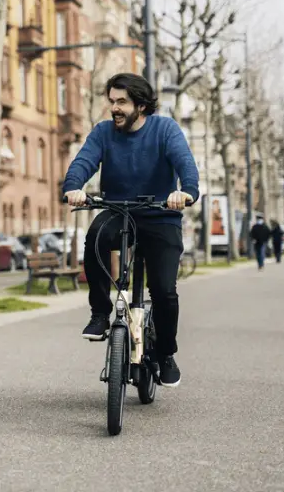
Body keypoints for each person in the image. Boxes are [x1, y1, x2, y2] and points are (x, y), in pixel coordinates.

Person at [63, 73, 200, 388]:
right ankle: (100, 313)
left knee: (164, 291)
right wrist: (74, 186)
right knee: (95, 238)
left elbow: (185, 165)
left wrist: (186, 192)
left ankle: (165, 353)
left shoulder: (165, 129)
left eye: (121, 102)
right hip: (119, 210)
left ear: (141, 104)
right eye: (111, 101)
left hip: (160, 214)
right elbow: (83, 162)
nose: (114, 108)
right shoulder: (103, 133)